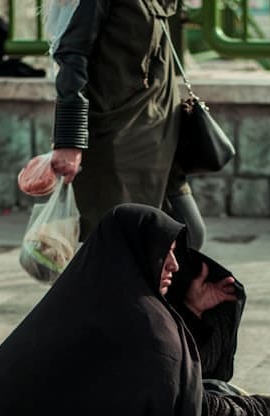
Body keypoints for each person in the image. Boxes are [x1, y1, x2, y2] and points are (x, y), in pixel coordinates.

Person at [0, 203, 270, 416]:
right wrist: (264, 412)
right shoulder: (144, 326)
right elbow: (188, 410)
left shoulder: (87, 299)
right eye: (164, 253)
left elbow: (173, 380)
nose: (175, 265)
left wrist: (192, 309)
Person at [46, 0, 207, 249]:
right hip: (119, 145)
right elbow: (71, 55)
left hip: (162, 138)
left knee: (189, 235)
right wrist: (69, 140)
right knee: (123, 252)